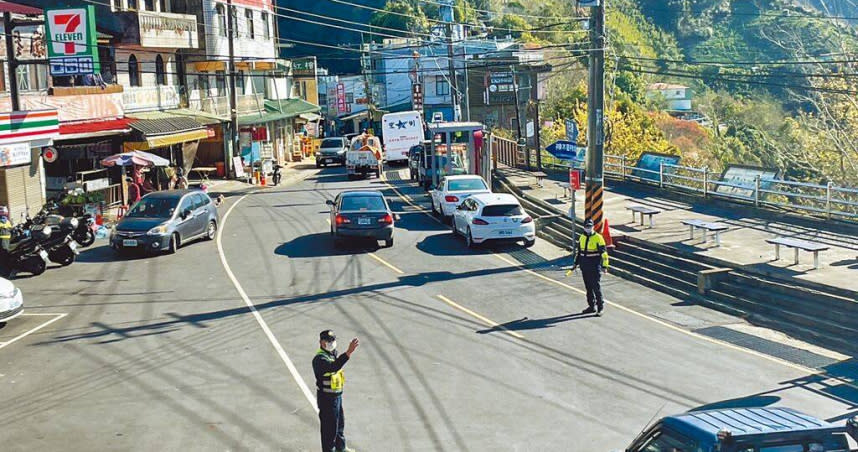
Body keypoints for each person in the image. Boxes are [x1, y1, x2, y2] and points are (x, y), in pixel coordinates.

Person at [312, 330, 359, 452]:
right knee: (329, 429)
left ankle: (341, 448)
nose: (331, 343)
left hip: (336, 397)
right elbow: (333, 367)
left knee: (339, 425)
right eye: (328, 341)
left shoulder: (332, 354)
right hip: (327, 399)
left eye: (332, 340)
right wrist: (348, 353)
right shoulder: (319, 359)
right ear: (321, 342)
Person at [571, 219, 609, 315]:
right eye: (587, 227)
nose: (588, 228)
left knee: (596, 287)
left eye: (590, 227)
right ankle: (591, 306)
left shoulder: (598, 238)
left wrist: (604, 266)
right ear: (584, 227)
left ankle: (600, 308)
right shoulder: (582, 237)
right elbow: (579, 252)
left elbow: (604, 254)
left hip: (594, 266)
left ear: (593, 227)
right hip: (585, 266)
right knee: (588, 288)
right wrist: (576, 263)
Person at [0, 206, 12, 276]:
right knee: (6, 256)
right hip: (7, 241)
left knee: (2, 258)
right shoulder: (7, 221)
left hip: (2, 242)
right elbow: (10, 229)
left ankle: (4, 273)